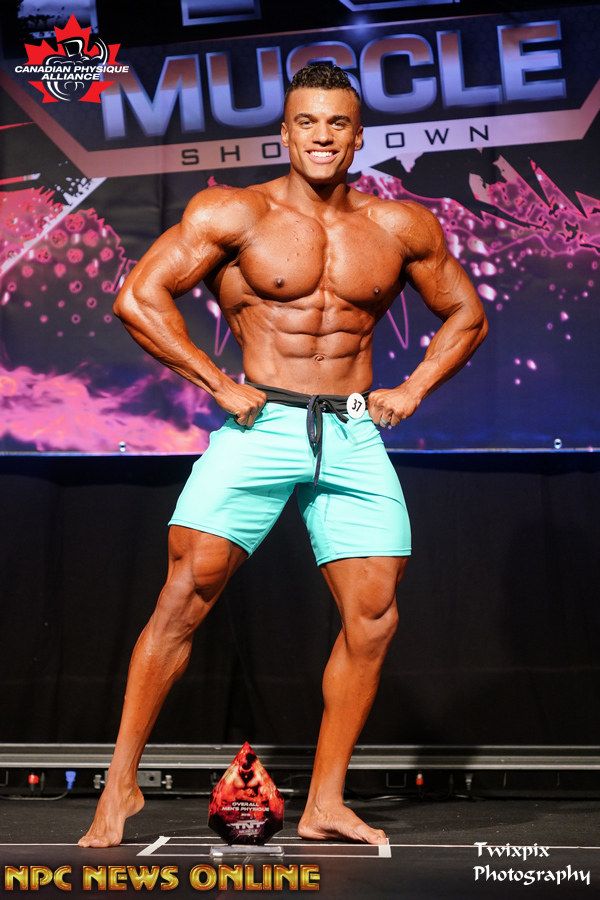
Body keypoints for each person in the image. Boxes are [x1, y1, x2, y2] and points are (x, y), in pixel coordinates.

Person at [79, 63, 488, 848]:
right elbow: (138, 297)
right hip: (262, 424)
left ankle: (324, 803)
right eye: (307, 122)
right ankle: (120, 784)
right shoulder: (235, 211)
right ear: (286, 132)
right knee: (184, 595)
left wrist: (415, 388)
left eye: (337, 123)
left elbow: (465, 312)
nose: (322, 136)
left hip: (352, 431)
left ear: (358, 137)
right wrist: (217, 383)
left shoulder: (400, 226)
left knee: (374, 618)